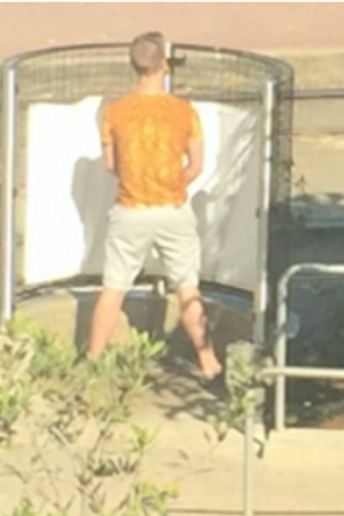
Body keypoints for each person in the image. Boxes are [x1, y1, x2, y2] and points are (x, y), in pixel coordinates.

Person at [89, 31, 222, 379]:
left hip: (131, 210)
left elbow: (110, 165)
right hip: (173, 209)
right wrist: (174, 182)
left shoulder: (114, 112)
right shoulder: (184, 112)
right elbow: (196, 164)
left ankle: (93, 361)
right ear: (163, 63)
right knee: (187, 288)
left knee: (113, 288)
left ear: (133, 65)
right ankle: (208, 360)